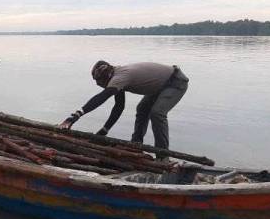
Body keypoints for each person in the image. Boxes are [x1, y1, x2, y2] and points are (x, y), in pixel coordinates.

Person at [59, 60, 189, 156]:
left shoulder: (120, 77)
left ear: (106, 77)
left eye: (100, 83)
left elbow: (101, 98)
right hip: (160, 86)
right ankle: (136, 146)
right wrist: (105, 130)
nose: (101, 86)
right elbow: (119, 107)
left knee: (157, 114)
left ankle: (163, 156)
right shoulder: (118, 77)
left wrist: (74, 117)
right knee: (142, 109)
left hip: (175, 82)